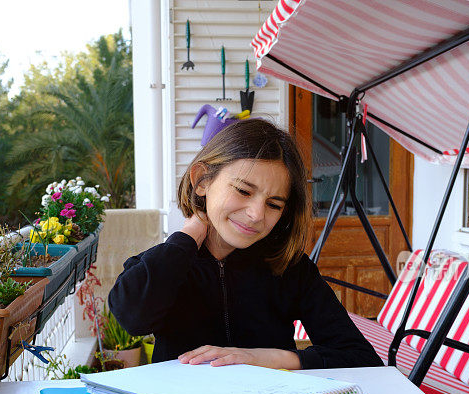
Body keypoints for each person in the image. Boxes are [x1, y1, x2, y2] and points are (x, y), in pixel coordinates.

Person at [108, 119, 381, 370]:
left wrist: (266, 358)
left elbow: (360, 357)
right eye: (243, 191)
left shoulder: (290, 268)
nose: (256, 214)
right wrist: (188, 236)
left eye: (274, 204)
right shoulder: (168, 263)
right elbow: (133, 318)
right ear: (202, 180)